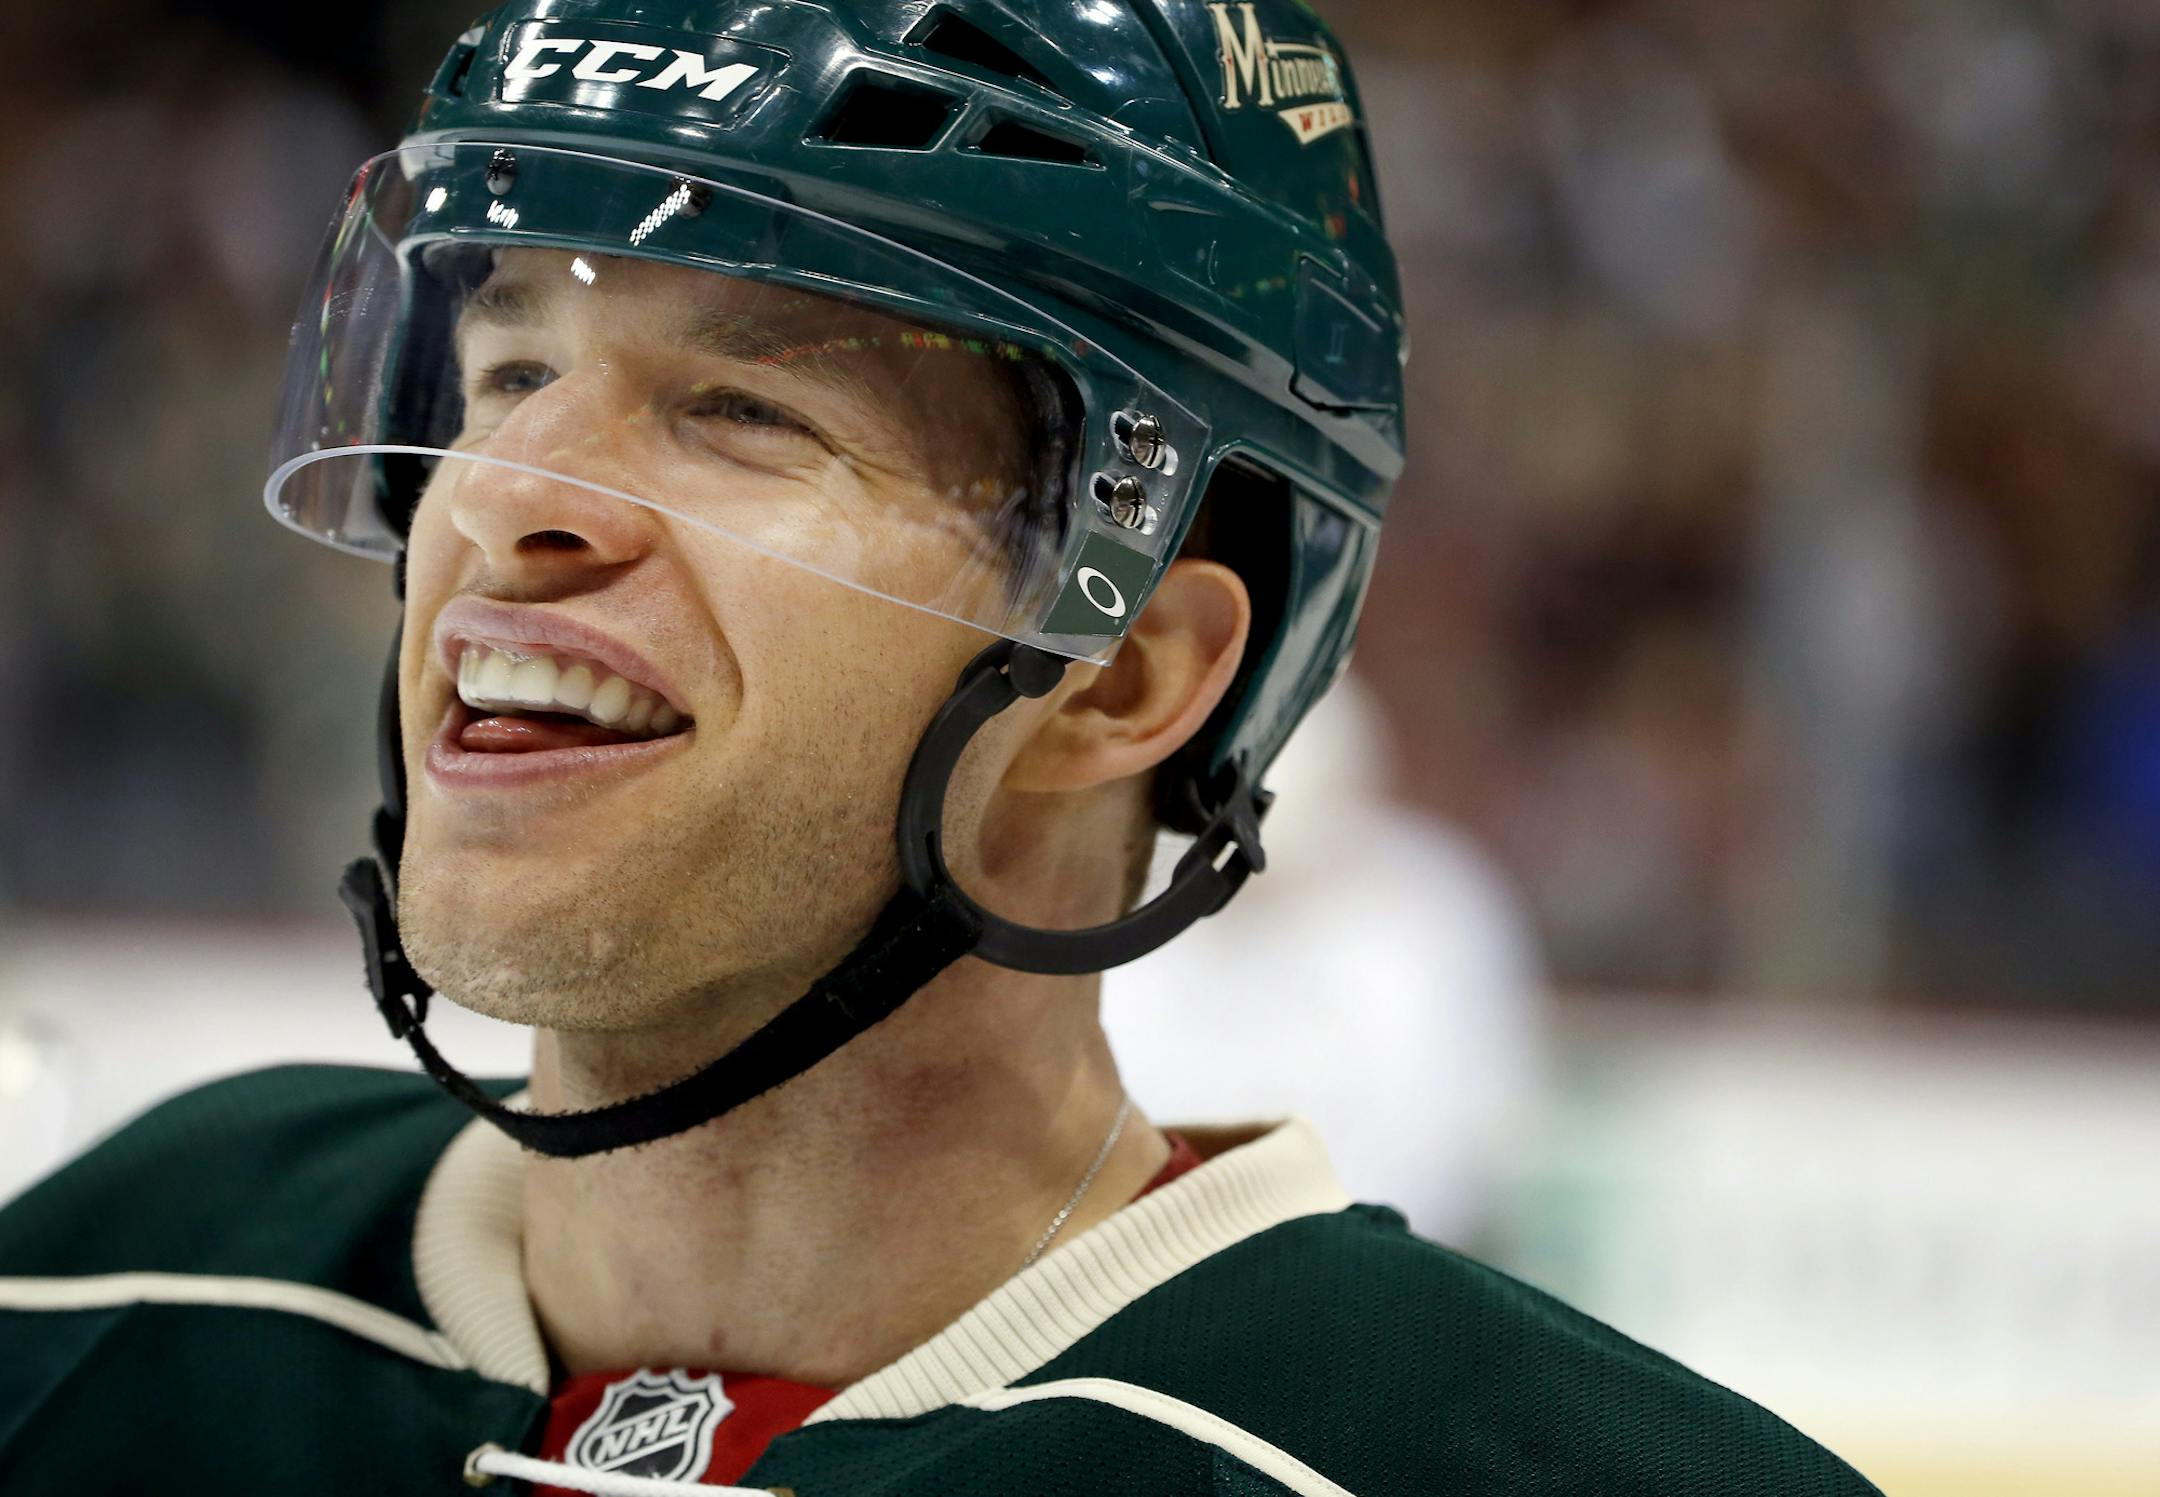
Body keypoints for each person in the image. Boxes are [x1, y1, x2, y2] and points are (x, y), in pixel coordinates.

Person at [0, 3, 1883, 1493]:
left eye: (745, 410)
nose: (504, 504)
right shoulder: (99, 1281)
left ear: (1129, 673)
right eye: (504, 377)